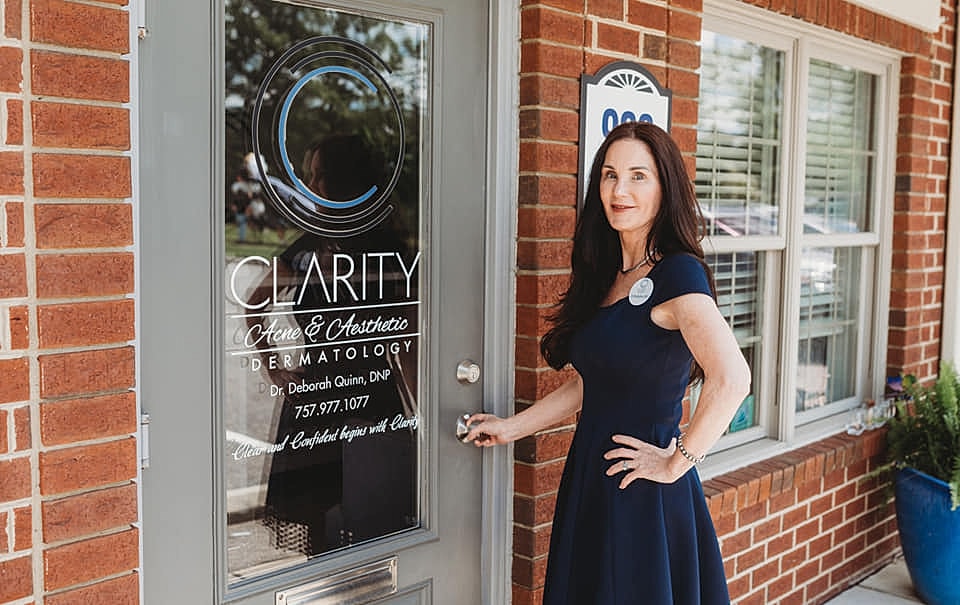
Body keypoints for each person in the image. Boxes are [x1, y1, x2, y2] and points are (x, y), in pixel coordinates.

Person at [466, 122, 751, 604]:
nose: (620, 190)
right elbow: (592, 385)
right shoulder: (608, 275)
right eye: (610, 175)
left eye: (638, 176)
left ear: (665, 188)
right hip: (592, 480)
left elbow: (732, 378)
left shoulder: (677, 272)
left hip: (642, 489)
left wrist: (677, 462)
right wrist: (514, 428)